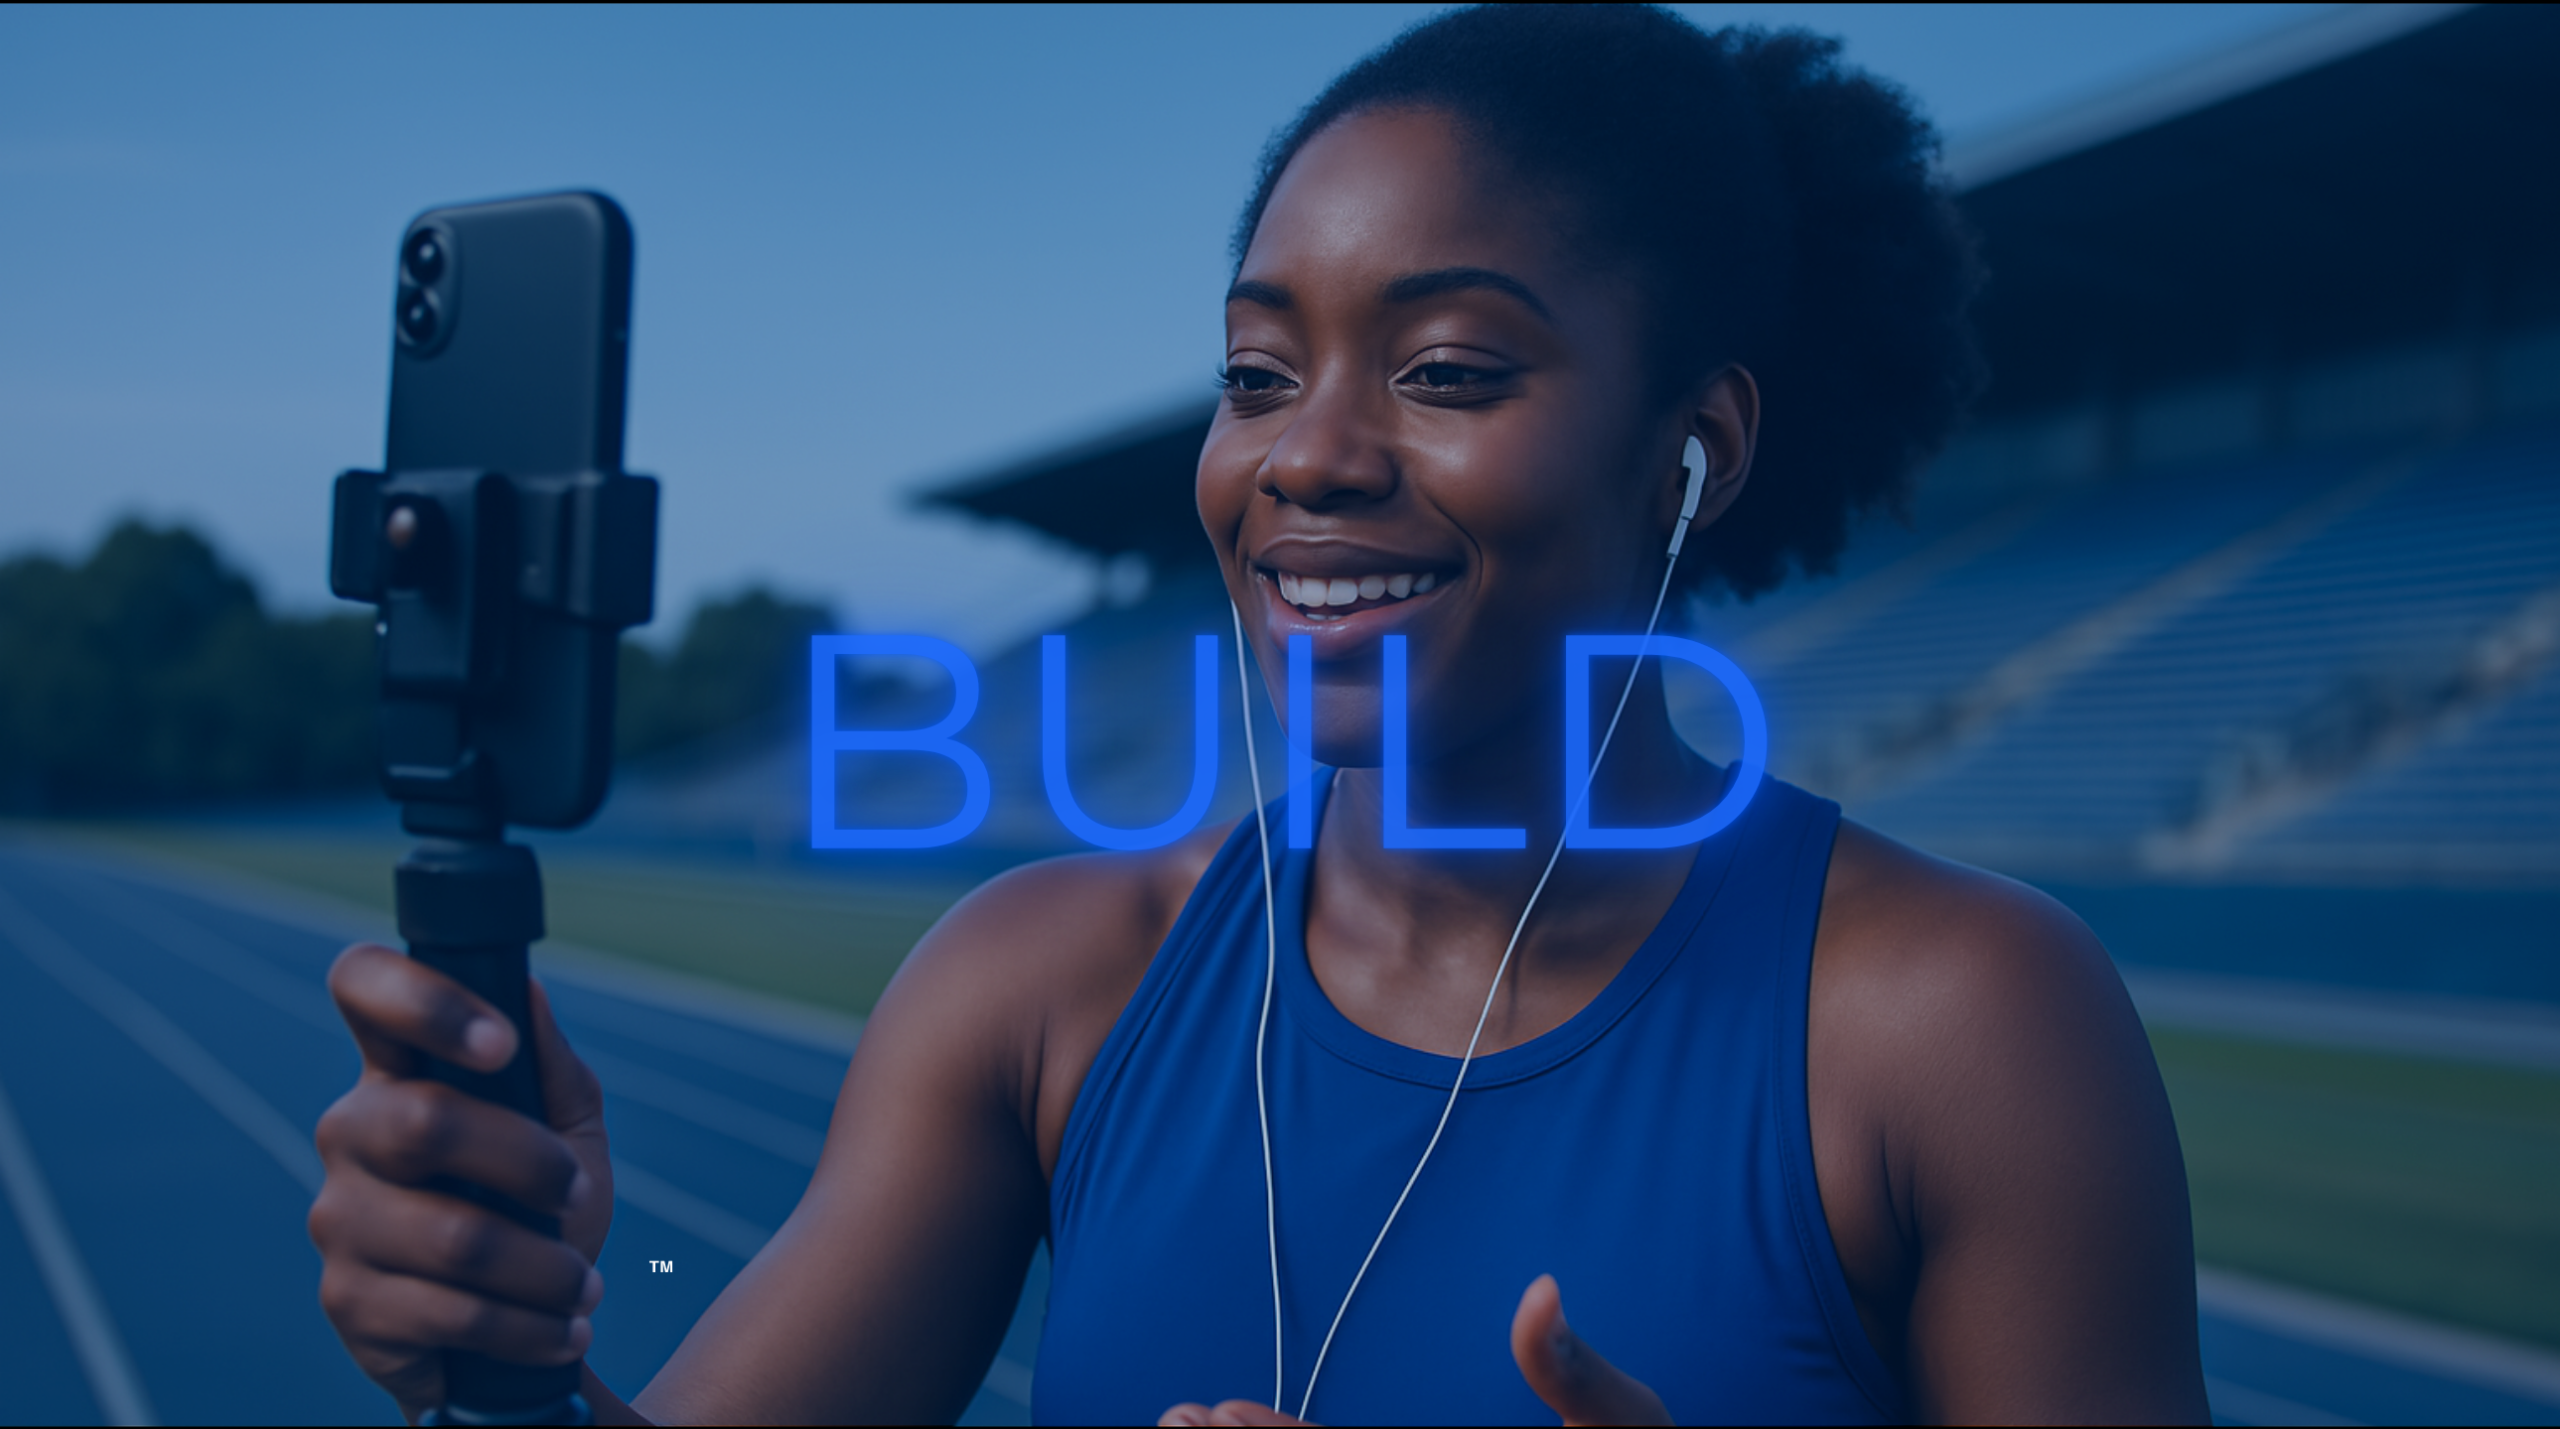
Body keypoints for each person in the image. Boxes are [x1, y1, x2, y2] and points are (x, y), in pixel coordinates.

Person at [309, 6, 2209, 1423]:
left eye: (1449, 367)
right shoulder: (1046, 988)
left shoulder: (1953, 1027)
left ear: (1688, 453)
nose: (1307, 454)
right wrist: (497, 1366)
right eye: (1254, 369)